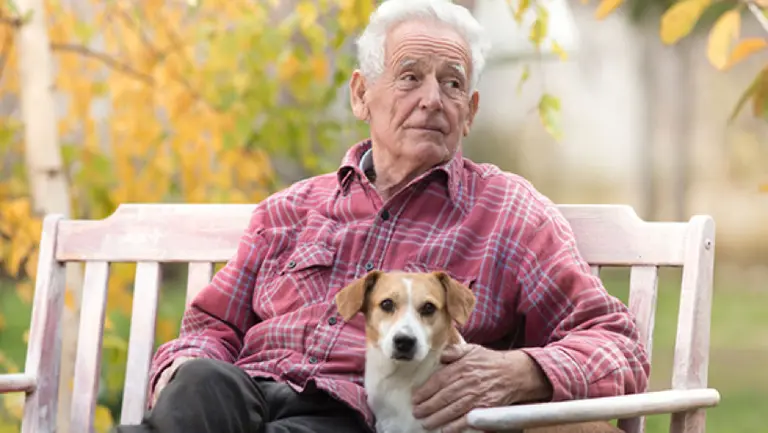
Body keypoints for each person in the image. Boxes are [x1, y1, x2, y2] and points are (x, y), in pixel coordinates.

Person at [115, 0, 650, 432]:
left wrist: (518, 371)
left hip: (350, 415)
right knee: (202, 382)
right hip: (244, 396)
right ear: (360, 95)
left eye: (453, 83)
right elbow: (212, 326)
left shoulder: (509, 214)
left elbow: (616, 345)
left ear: (471, 111)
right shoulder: (289, 210)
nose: (432, 100)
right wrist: (183, 370)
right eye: (410, 77)